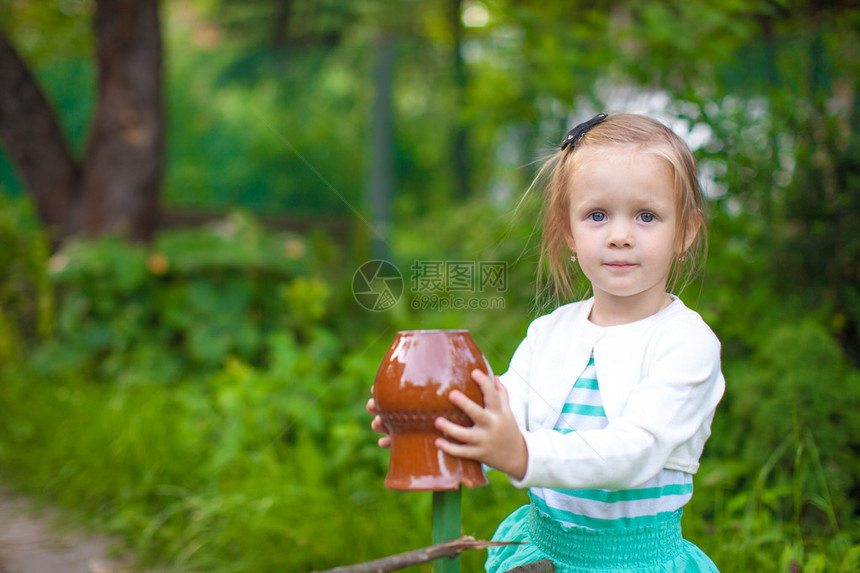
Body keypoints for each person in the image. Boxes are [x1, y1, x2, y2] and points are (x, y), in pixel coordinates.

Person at [367, 113, 725, 572]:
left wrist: (522, 454)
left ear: (686, 231)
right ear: (569, 231)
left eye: (646, 216)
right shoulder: (551, 331)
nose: (619, 236)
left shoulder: (686, 342)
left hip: (635, 561)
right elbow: (504, 409)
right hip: (544, 552)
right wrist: (433, 419)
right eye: (597, 215)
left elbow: (634, 451)